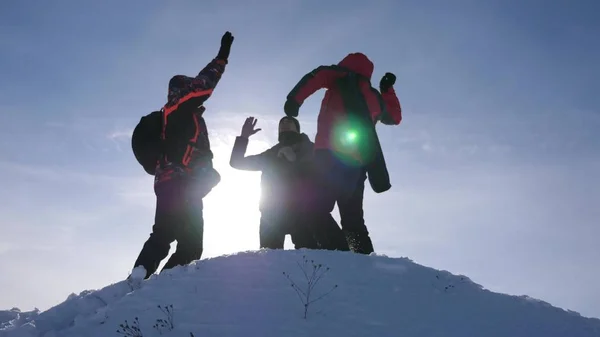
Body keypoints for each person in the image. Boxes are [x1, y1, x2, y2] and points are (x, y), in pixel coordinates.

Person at [130, 31, 235, 280]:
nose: (194, 88)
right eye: (189, 85)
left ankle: (146, 285)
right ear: (181, 89)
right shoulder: (178, 106)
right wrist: (222, 56)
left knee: (180, 242)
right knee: (175, 239)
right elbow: (205, 83)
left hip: (184, 183)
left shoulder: (188, 117)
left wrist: (208, 175)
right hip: (179, 180)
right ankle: (145, 285)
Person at [283, 52, 402, 254]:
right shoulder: (373, 95)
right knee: (352, 219)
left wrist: (294, 100)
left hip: (328, 156)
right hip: (358, 165)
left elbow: (316, 76)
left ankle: (340, 253)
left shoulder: (339, 75)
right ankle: (363, 261)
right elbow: (394, 117)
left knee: (313, 210)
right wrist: (387, 90)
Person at [229, 116, 331, 249]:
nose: (284, 123)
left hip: (304, 210)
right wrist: (244, 137)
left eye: (289, 121)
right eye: (281, 122)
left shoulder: (311, 148)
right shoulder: (270, 154)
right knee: (270, 260)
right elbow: (236, 162)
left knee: (309, 259)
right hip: (271, 212)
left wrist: (293, 159)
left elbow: (320, 174)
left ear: (297, 128)